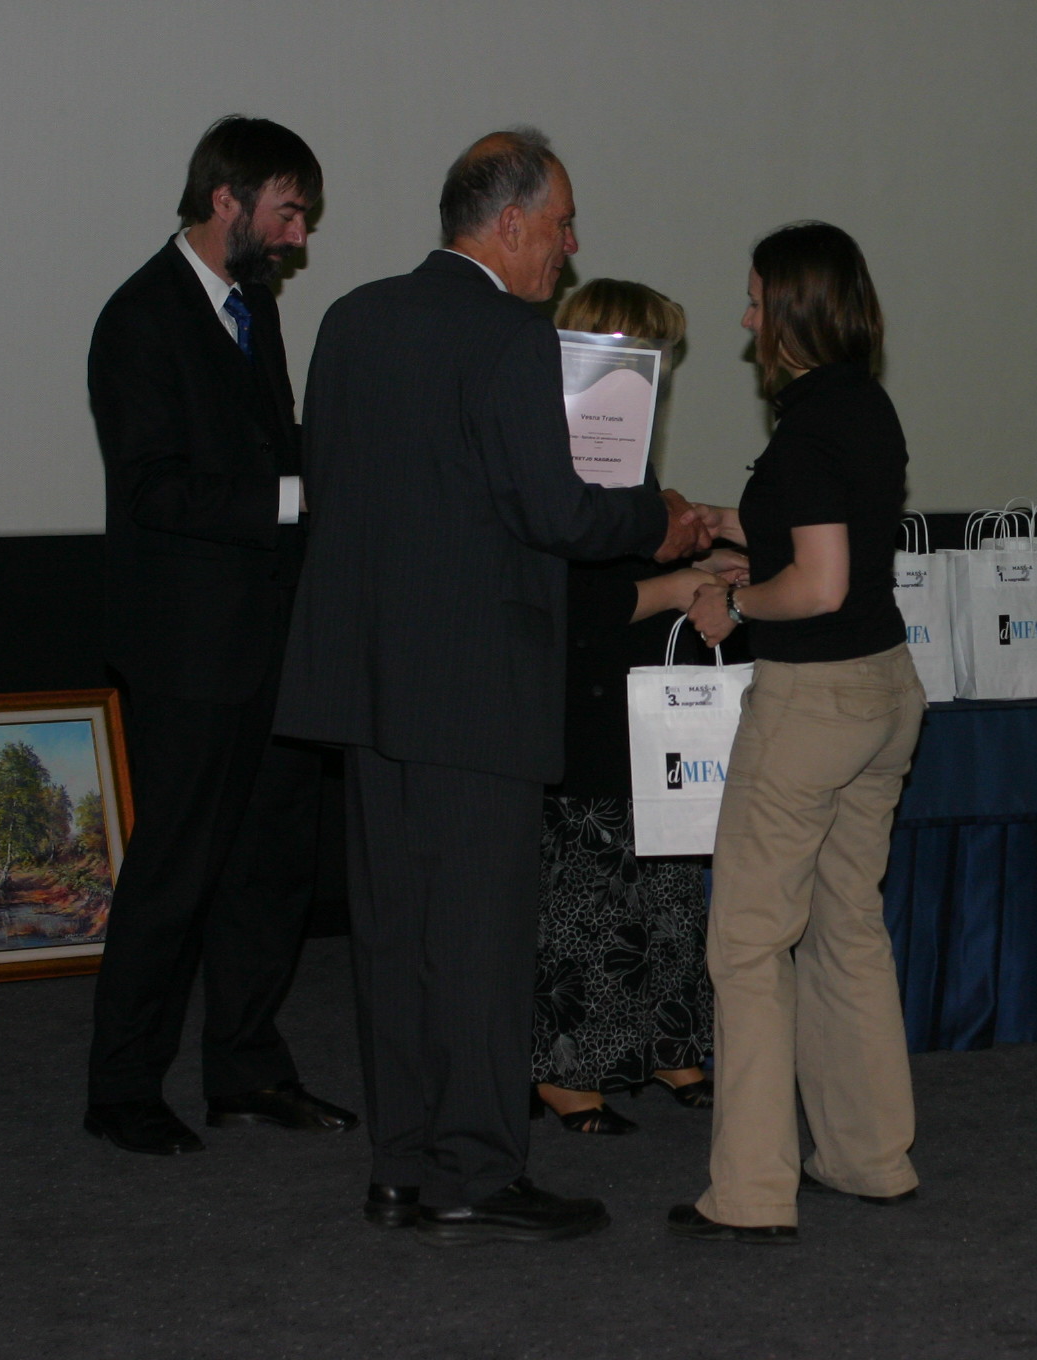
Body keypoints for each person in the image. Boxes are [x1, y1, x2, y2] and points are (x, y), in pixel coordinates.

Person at [273, 128, 715, 1245]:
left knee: (393, 937)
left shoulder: (350, 319)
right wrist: (654, 520)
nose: (570, 247)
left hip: (369, 686)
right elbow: (556, 512)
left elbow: (332, 486)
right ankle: (474, 1169)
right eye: (561, 224)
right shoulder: (513, 337)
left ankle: (400, 1165)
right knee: (477, 941)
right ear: (508, 223)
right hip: (475, 692)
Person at [84, 115, 356, 1157]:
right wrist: (296, 494)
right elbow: (153, 489)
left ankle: (246, 1071)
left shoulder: (254, 309)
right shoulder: (139, 318)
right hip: (190, 654)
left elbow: (267, 444)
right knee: (177, 872)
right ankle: (121, 1089)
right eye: (287, 213)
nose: (297, 237)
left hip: (275, 642)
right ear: (226, 200)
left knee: (271, 869)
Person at [669, 223, 926, 1244]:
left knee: (745, 942)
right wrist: (732, 527)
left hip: (814, 702)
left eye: (755, 300)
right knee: (846, 925)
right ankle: (869, 1157)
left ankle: (749, 1192)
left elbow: (814, 586)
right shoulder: (862, 404)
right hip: (884, 689)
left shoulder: (809, 425)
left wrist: (734, 604)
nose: (744, 319)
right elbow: (833, 543)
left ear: (793, 309)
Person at [533, 280, 736, 1136]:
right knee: (590, 889)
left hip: (640, 694)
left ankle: (669, 1043)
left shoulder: (625, 447)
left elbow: (627, 557)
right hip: (581, 699)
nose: (658, 372)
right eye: (648, 351)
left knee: (667, 876)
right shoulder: (561, 451)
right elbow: (575, 606)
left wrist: (694, 551)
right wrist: (680, 585)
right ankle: (566, 1070)